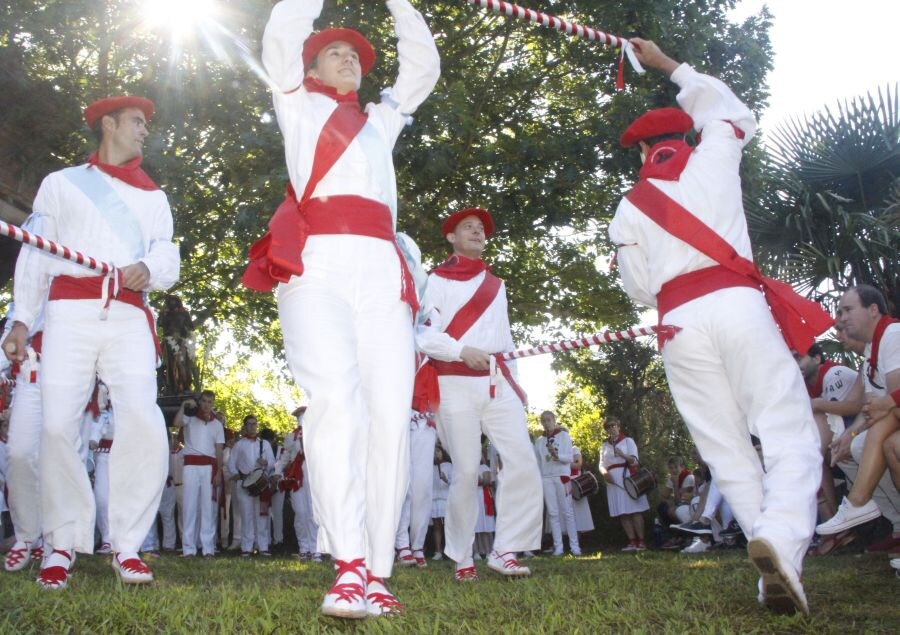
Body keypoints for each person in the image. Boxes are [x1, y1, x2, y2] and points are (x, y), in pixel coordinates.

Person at [607, 39, 830, 614]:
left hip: (677, 323)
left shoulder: (629, 207)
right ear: (685, 137)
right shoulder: (714, 155)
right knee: (787, 431)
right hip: (736, 305)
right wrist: (665, 65)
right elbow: (731, 110)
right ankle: (780, 541)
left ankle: (776, 574)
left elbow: (637, 287)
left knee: (726, 451)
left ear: (642, 156)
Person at [244, 0, 440, 618]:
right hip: (316, 266)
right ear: (312, 65)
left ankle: (378, 570)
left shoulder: (382, 121)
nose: (349, 57)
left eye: (356, 53)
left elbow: (422, 69)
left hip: (382, 269)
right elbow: (280, 34)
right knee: (333, 403)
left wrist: (401, 6)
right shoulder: (295, 104)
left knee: (389, 417)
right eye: (336, 51)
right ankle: (348, 563)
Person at [3, 95, 180, 588]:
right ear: (109, 124)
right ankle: (62, 542)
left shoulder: (153, 195)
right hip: (68, 313)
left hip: (127, 315)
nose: (145, 130)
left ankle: (127, 545)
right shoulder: (61, 185)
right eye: (138, 122)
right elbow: (35, 255)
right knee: (58, 426)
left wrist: (152, 268)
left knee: (143, 420)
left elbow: (167, 252)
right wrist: (22, 320)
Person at [417, 208, 543, 582]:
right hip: (454, 384)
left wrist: (516, 386)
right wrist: (460, 351)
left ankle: (506, 549)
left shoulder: (496, 284)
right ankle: (462, 555)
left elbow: (505, 340)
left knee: (522, 461)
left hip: (497, 382)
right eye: (467, 227)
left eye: (481, 229)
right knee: (468, 471)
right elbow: (423, 334)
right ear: (451, 238)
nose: (476, 231)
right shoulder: (435, 281)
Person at [818, 286, 899, 536]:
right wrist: (848, 435)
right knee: (850, 448)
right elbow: (870, 407)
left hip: (891, 421)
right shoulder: (870, 352)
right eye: (840, 312)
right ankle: (892, 520)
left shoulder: (892, 334)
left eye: (848, 310)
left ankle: (858, 502)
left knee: (869, 444)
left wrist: (853, 432)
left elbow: (892, 401)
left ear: (873, 310)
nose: (842, 319)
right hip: (889, 421)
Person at [1, 305, 46, 572]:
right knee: (18, 453)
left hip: (75, 377)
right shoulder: (28, 282)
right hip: (30, 375)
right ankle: (26, 535)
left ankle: (58, 543)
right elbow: (11, 332)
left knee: (60, 460)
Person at [796, 342, 858, 522]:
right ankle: (832, 521)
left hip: (855, 431)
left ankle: (833, 521)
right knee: (812, 453)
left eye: (798, 357)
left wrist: (815, 404)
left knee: (812, 452)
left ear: (816, 358)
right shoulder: (805, 385)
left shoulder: (833, 374)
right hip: (842, 437)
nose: (795, 363)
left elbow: (849, 410)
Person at [173, 391, 225, 558]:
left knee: (207, 508)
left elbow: (219, 451)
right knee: (189, 506)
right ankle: (189, 548)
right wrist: (183, 406)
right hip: (190, 466)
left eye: (209, 402)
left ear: (213, 403)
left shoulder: (217, 425)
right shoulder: (190, 418)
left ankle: (208, 548)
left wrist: (218, 473)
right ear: (199, 402)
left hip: (208, 467)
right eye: (203, 401)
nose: (206, 404)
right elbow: (176, 422)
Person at [275, 406, 321, 561]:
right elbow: (284, 457)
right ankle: (303, 547)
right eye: (300, 417)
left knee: (313, 513)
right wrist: (277, 472)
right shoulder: (291, 437)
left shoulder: (319, 434)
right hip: (296, 476)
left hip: (313, 474)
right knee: (300, 512)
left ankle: (315, 549)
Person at [394, 409, 437, 568]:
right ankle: (401, 544)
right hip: (396, 413)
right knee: (399, 485)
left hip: (425, 419)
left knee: (423, 488)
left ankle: (417, 545)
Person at [533, 411, 580, 556]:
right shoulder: (539, 441)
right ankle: (558, 546)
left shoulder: (563, 436)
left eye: (548, 420)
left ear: (554, 420)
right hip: (546, 478)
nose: (546, 423)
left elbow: (570, 458)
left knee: (567, 511)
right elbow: (538, 462)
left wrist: (556, 455)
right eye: (543, 420)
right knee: (553, 513)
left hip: (562, 476)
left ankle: (574, 546)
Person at [228, 415, 275, 556]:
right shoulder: (239, 445)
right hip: (244, 484)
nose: (252, 426)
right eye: (249, 424)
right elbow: (231, 464)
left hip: (261, 484)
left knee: (261, 517)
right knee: (246, 516)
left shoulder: (264, 444)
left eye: (254, 424)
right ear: (245, 427)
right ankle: (247, 547)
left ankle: (263, 546)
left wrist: (266, 463)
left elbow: (273, 463)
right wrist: (236, 474)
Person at [599, 418, 649, 552]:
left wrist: (623, 455)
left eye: (613, 425)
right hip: (612, 481)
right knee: (623, 512)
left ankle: (641, 541)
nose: (611, 428)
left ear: (618, 426)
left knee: (634, 510)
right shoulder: (604, 446)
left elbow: (635, 460)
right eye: (608, 427)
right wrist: (604, 473)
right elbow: (601, 464)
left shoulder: (628, 441)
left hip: (628, 477)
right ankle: (632, 542)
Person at [430, 445, 451, 562]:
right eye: (434, 452)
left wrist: (446, 479)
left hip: (445, 498)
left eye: (438, 451)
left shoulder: (449, 466)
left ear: (442, 452)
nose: (436, 454)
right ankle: (438, 551)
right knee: (437, 526)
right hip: (434, 499)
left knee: (448, 525)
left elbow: (454, 482)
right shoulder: (430, 467)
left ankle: (449, 550)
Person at [570, 446, 595, 535]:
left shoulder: (574, 449)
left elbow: (578, 465)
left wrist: (562, 463)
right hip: (561, 482)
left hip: (575, 481)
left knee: (577, 511)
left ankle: (577, 539)